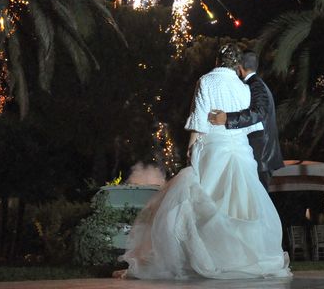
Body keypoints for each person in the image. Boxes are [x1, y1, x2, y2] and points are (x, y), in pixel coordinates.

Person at [120, 44, 291, 280]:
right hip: (240, 150)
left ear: (217, 60)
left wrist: (191, 146)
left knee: (206, 200)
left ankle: (203, 255)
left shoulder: (206, 81)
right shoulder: (243, 88)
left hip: (214, 147)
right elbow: (251, 125)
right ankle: (240, 257)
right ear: (237, 64)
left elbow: (200, 119)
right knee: (239, 204)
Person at [207, 50, 284, 190]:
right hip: (262, 153)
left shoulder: (255, 85)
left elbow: (259, 112)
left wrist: (227, 118)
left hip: (261, 155)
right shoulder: (257, 83)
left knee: (258, 202)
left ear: (239, 67)